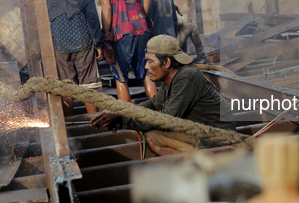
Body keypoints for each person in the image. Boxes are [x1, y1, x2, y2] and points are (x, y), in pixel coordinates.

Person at [90, 35, 236, 155]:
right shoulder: (171, 78)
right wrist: (122, 112)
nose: (146, 66)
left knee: (154, 137)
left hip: (217, 138)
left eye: (150, 61)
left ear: (166, 62)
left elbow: (167, 119)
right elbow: (153, 104)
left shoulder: (187, 77)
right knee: (153, 136)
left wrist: (124, 120)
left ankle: (196, 167)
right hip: (202, 132)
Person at [86, 0, 152, 102]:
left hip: (120, 33)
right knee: (147, 74)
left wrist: (106, 34)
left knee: (121, 78)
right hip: (142, 28)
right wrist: (143, 17)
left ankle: (128, 120)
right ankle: (160, 115)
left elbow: (106, 7)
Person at [44, 0, 103, 116]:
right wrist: (98, 43)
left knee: (66, 85)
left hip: (59, 41)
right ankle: (94, 124)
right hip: (83, 38)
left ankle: (70, 126)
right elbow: (91, 14)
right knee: (89, 84)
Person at [134, 0, 178, 99]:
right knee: (171, 73)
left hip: (153, 41)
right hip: (171, 38)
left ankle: (157, 106)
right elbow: (174, 19)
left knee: (149, 74)